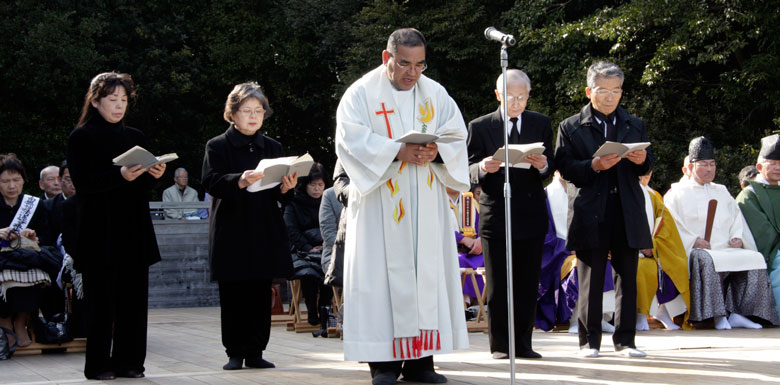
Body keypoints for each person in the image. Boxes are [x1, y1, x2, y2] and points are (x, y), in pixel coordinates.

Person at [335, 28, 469, 385]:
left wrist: (436, 151)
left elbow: (457, 135)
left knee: (425, 277)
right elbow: (349, 139)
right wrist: (397, 151)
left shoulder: (436, 93)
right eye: (405, 63)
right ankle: (382, 364)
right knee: (379, 280)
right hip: (380, 202)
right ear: (387, 58)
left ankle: (422, 362)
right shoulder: (361, 94)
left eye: (420, 64)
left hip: (425, 202)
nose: (413, 72)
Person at [67, 72, 166, 380]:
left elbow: (141, 191)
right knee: (101, 303)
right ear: (95, 101)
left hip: (133, 228)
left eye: (124, 100)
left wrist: (154, 174)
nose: (119, 105)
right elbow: (83, 185)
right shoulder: (81, 137)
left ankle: (131, 362)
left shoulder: (135, 136)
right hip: (100, 230)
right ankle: (98, 365)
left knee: (134, 302)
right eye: (112, 100)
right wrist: (119, 176)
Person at [554, 61, 653, 358]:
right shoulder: (571, 126)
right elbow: (565, 166)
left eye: (616, 91)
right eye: (603, 90)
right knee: (591, 278)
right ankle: (589, 341)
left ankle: (626, 341)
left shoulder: (634, 124)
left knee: (627, 276)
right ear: (589, 91)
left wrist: (641, 161)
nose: (610, 97)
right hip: (590, 208)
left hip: (626, 207)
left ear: (622, 92)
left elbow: (648, 165)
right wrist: (593, 165)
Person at [202, 81, 297, 371]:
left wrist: (287, 187)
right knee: (233, 293)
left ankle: (256, 350)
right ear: (233, 113)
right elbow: (210, 181)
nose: (254, 116)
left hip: (264, 227)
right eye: (247, 110)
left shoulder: (272, 146)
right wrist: (240, 180)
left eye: (259, 110)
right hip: (232, 227)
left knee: (260, 291)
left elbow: (285, 193)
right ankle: (234, 351)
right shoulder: (217, 145)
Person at [466, 69, 553, 359]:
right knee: (499, 281)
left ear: (528, 96)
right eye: (510, 97)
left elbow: (549, 167)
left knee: (528, 282)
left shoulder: (541, 123)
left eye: (522, 97)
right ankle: (500, 345)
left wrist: (542, 165)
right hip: (496, 213)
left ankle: (525, 344)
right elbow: (465, 171)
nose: (516, 102)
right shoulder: (480, 126)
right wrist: (481, 168)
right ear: (498, 95)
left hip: (530, 211)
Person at [664, 136, 779, 329]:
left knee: (754, 258)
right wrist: (694, 240)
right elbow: (672, 225)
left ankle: (744, 313)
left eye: (712, 164)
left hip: (725, 247)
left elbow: (736, 218)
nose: (709, 169)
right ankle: (717, 316)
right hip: (697, 249)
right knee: (706, 259)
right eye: (703, 164)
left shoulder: (722, 190)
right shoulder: (677, 193)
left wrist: (736, 236)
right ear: (691, 167)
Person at [0, 154, 51, 349]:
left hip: (26, 257)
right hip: (2, 257)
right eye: (5, 181)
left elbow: (47, 236)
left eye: (16, 180)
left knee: (36, 274)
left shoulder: (34, 205)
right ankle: (4, 322)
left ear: (24, 180)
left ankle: (21, 322)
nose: (11, 186)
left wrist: (33, 237)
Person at [635, 171, 690, 331]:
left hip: (652, 249)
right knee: (642, 269)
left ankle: (662, 312)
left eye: (648, 172)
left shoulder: (653, 196)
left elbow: (666, 226)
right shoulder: (618, 192)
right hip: (629, 250)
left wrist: (653, 245)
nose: (644, 176)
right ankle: (640, 315)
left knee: (675, 265)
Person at [736, 134, 780, 321]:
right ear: (760, 166)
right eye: (773, 163)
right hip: (771, 250)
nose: (778, 167)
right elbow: (761, 231)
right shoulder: (749, 194)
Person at [284, 163, 333, 332]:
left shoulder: (330, 201)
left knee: (331, 267)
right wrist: (307, 246)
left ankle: (325, 306)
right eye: (313, 185)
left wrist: (326, 244)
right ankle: (311, 308)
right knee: (308, 271)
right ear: (305, 185)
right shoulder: (294, 202)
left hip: (326, 247)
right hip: (301, 249)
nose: (317, 189)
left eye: (320, 185)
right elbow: (290, 229)